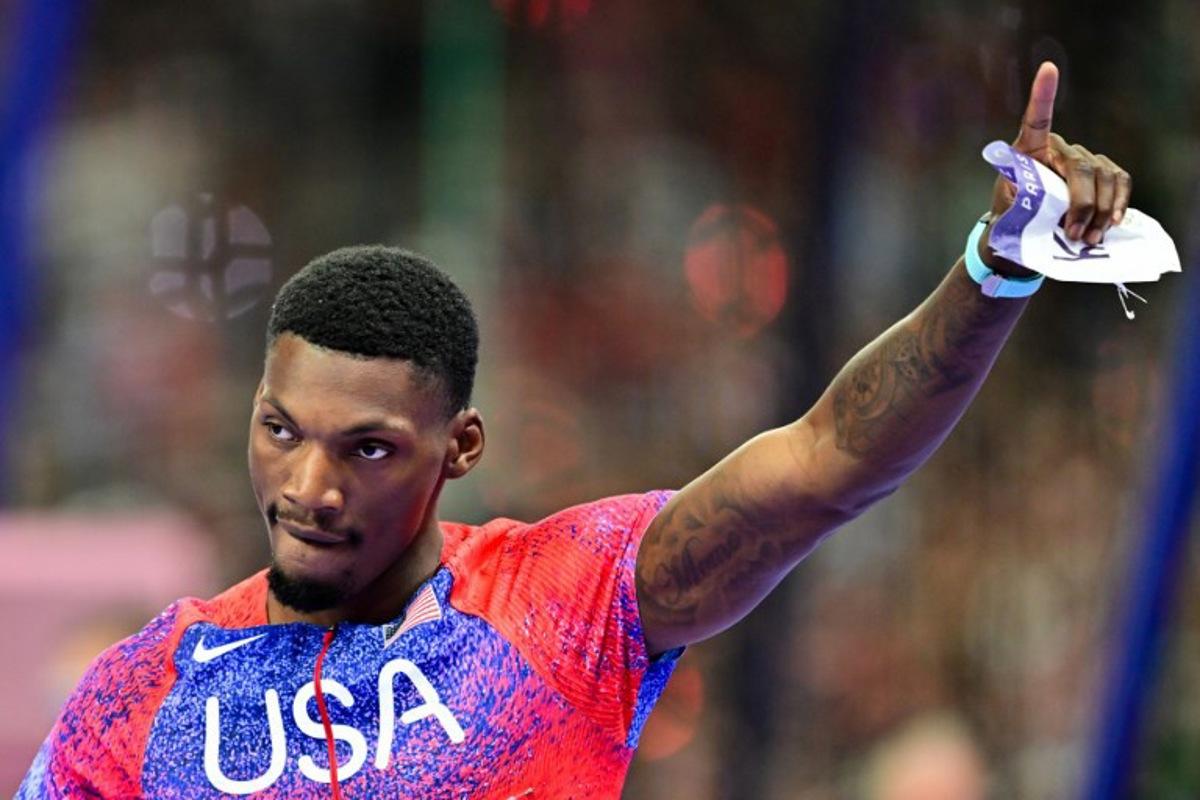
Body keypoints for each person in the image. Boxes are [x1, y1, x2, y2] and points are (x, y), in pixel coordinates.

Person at [18, 62, 1131, 799]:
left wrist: (995, 269)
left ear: (459, 447)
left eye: (366, 448)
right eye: (279, 428)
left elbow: (827, 460)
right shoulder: (142, 689)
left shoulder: (563, 601)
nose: (307, 484)